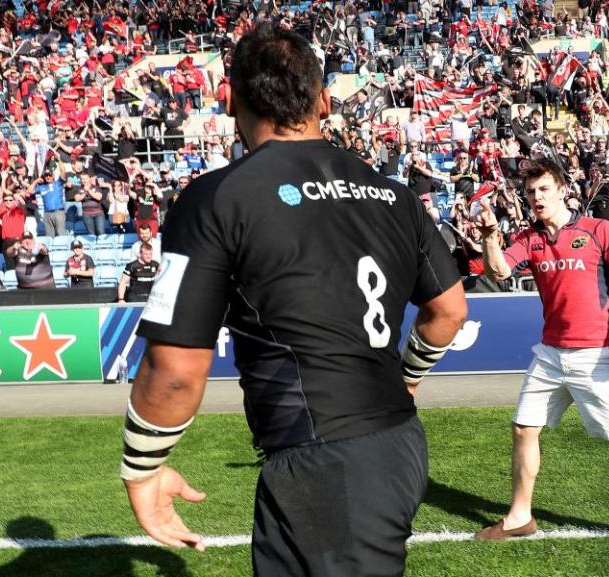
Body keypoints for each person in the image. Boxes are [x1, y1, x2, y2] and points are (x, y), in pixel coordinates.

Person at [118, 24, 466, 577]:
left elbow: (176, 370)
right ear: (324, 101)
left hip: (321, 455)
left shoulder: (218, 196)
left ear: (228, 98)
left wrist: (142, 467)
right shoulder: (395, 196)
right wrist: (409, 376)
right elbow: (449, 312)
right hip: (400, 443)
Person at [473, 158, 609, 560]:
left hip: (597, 357)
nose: (537, 198)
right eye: (531, 192)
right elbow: (498, 272)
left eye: (544, 189)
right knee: (522, 430)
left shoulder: (598, 230)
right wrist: (490, 237)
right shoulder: (529, 238)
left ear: (563, 189)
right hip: (550, 354)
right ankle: (519, 517)